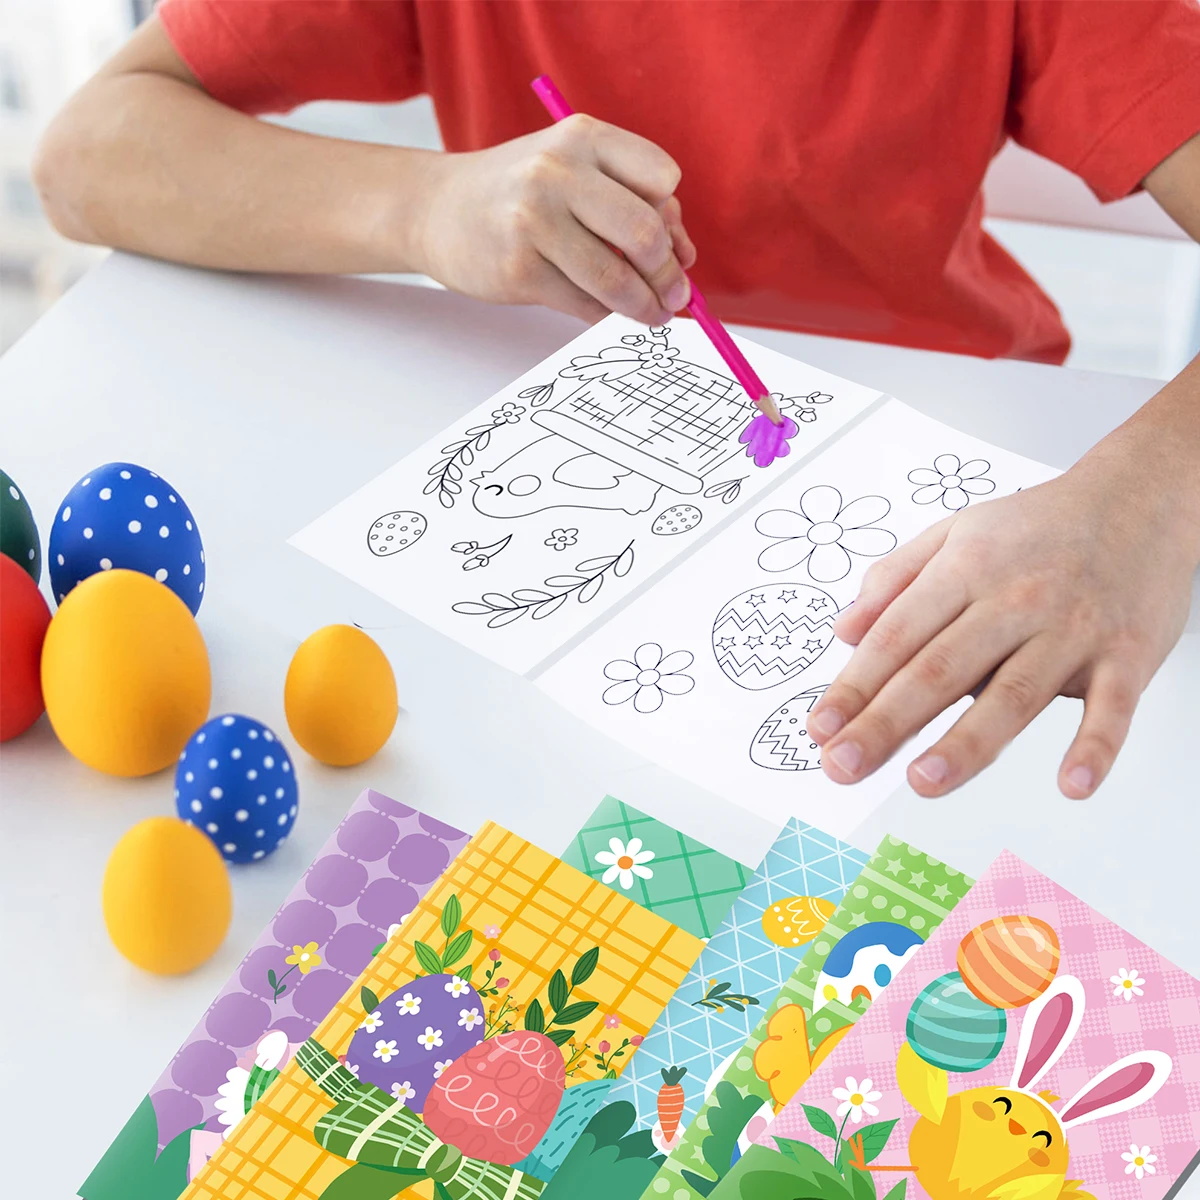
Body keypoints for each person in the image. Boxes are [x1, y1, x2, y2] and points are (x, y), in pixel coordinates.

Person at [34, 0, 1200, 801]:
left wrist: (1148, 493)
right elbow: (85, 158)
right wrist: (423, 210)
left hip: (982, 490)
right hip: (548, 519)